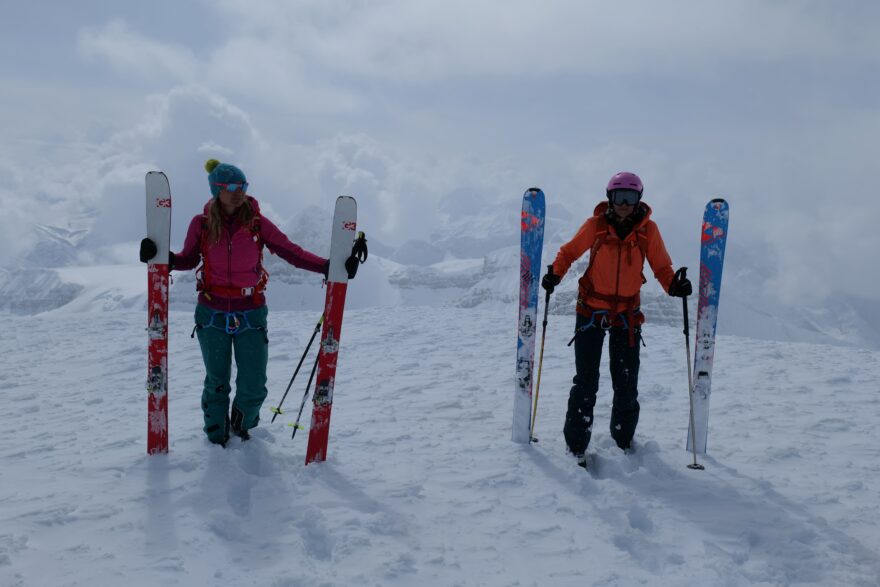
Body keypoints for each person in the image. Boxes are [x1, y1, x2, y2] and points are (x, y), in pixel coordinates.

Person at [140, 159, 329, 447]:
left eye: (242, 186)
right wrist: (161, 257)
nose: (238, 192)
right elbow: (188, 259)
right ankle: (216, 439)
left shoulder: (257, 223)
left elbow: (291, 251)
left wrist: (327, 267)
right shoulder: (201, 224)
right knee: (217, 382)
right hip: (212, 312)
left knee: (254, 385)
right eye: (231, 186)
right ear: (217, 190)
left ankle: (242, 431)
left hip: (251, 312)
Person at [541, 171, 691, 466]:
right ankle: (576, 447)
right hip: (590, 312)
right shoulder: (595, 227)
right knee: (586, 383)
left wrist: (674, 285)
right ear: (610, 198)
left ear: (639, 200)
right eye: (619, 197)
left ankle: (623, 441)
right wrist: (555, 274)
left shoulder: (648, 231)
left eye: (630, 197)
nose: (624, 204)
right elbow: (568, 252)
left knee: (626, 384)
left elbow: (662, 267)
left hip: (627, 317)